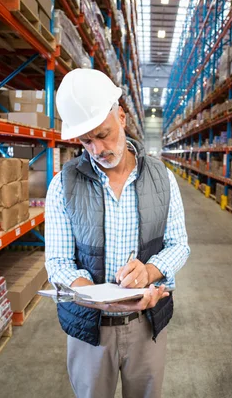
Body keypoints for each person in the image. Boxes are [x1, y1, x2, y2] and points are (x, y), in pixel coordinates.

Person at [45, 68, 190, 398]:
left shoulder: (162, 179)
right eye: (86, 140)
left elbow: (179, 244)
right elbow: (58, 261)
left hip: (147, 324)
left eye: (104, 134)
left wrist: (149, 272)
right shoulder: (62, 186)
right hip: (89, 330)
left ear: (121, 117)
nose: (97, 149)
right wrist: (94, 297)